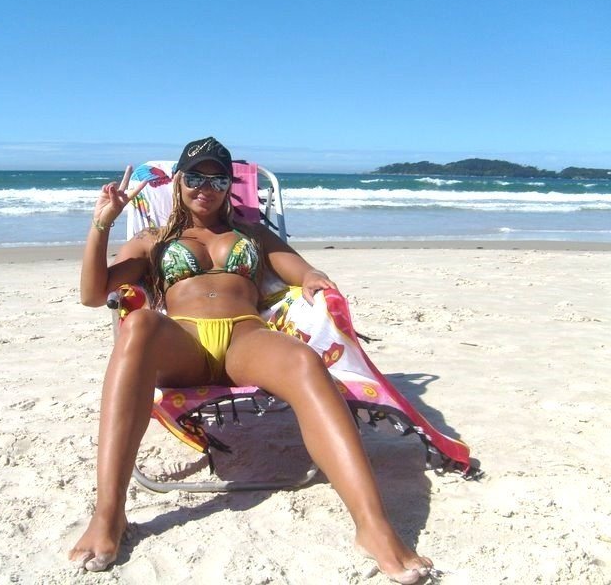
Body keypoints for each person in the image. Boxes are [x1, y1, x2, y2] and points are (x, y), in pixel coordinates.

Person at [70, 137, 434, 584]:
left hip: (246, 338)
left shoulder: (252, 233)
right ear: (180, 181)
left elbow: (300, 270)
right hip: (181, 343)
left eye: (219, 177)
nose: (207, 186)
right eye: (196, 177)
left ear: (229, 185)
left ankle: (373, 527)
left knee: (302, 360)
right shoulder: (153, 239)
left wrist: (316, 281)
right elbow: (92, 295)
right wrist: (101, 225)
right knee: (140, 324)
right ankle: (109, 514)